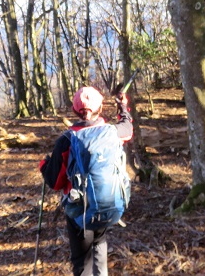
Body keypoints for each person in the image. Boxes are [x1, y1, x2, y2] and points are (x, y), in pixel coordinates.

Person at [40, 86, 133, 276]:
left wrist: (44, 165)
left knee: (82, 262)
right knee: (99, 245)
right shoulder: (113, 132)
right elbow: (128, 128)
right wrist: (123, 107)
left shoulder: (66, 140)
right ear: (100, 109)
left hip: (79, 211)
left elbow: (55, 182)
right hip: (108, 205)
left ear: (75, 110)